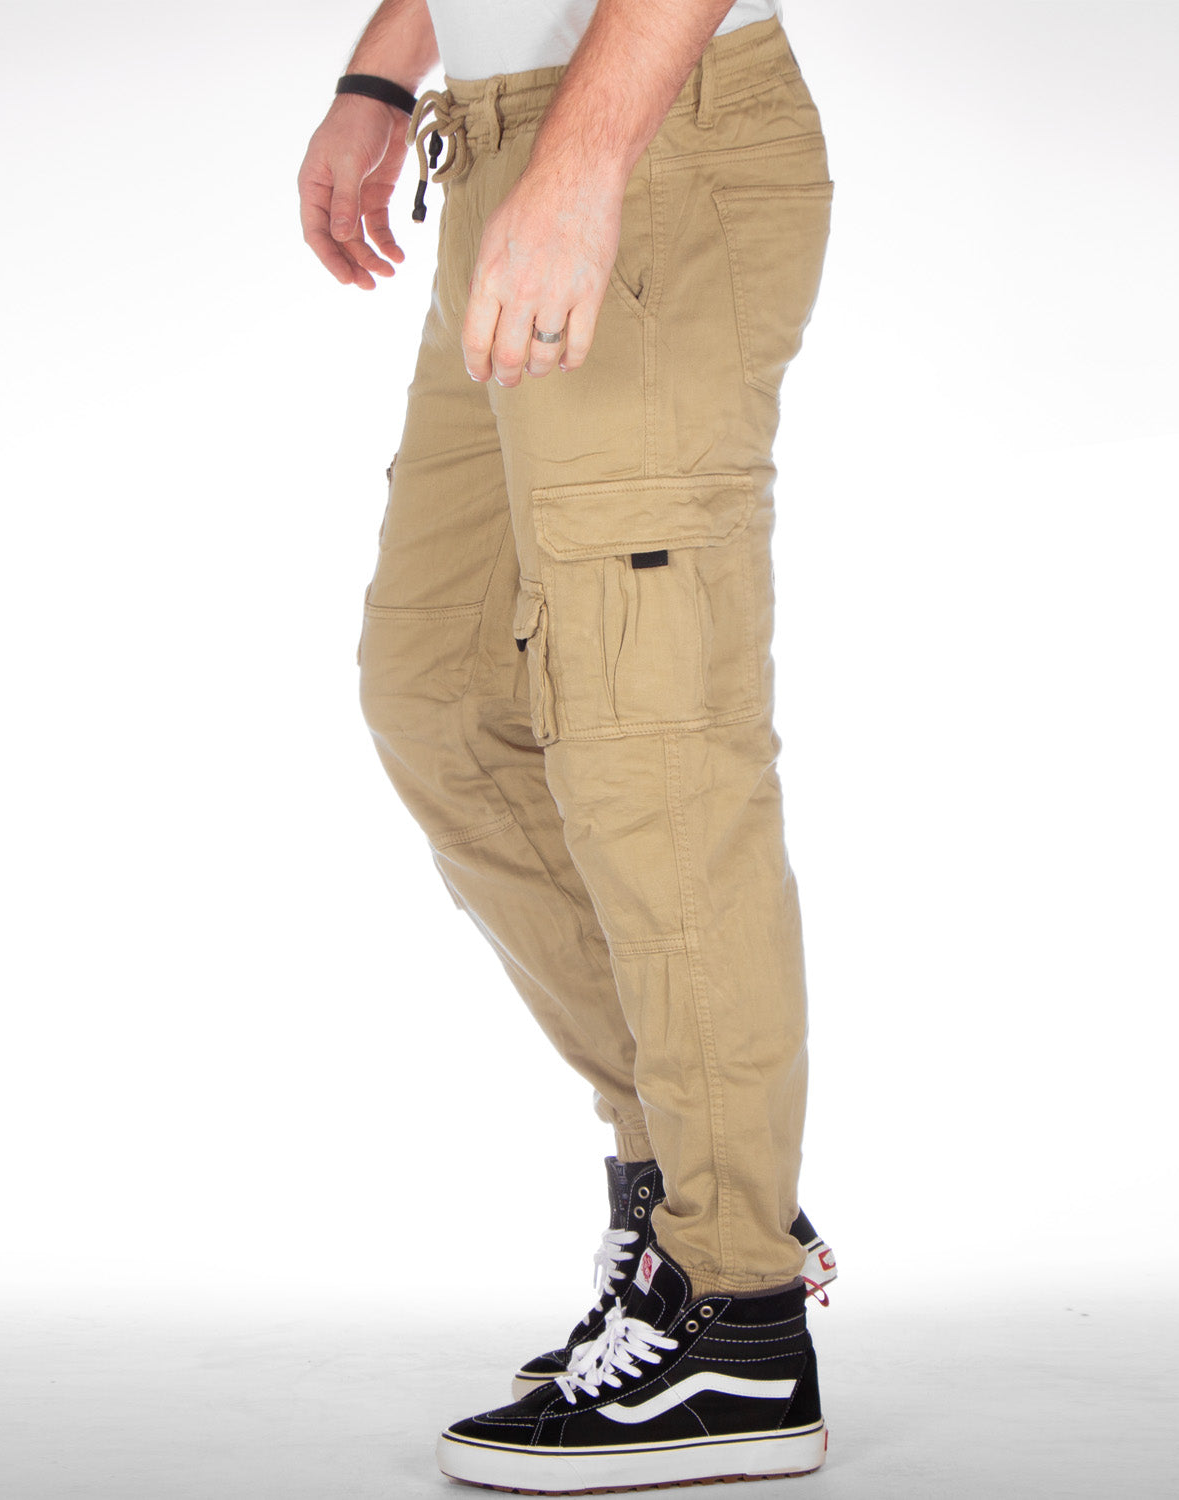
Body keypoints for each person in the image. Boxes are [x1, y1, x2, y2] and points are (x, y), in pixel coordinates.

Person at [298, 0, 836, 1489]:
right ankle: (692, 1195)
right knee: (441, 692)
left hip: (644, 134)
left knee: (653, 741)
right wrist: (380, 74)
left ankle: (737, 1315)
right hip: (498, 139)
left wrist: (590, 160)